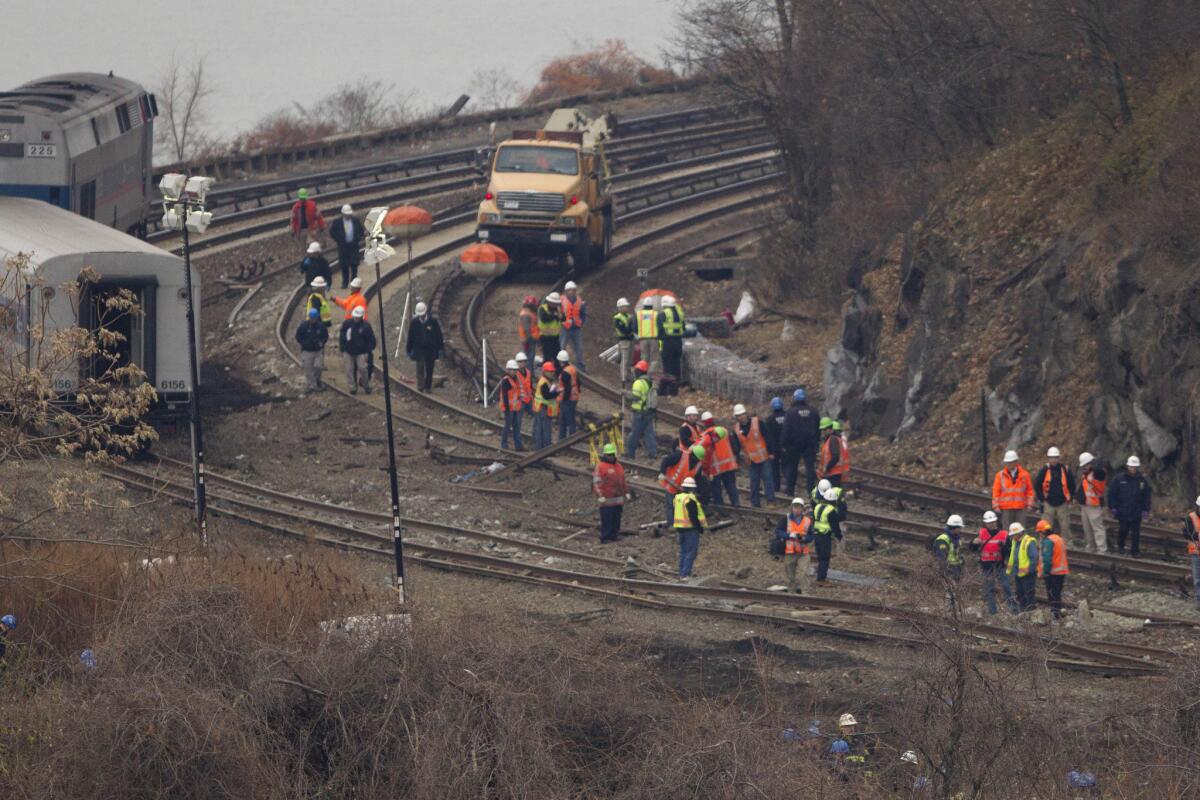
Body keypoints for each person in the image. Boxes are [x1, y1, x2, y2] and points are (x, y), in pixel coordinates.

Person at [972, 510, 1017, 615]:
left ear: (996, 522)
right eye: (989, 523)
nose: (991, 524)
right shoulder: (981, 533)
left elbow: (1010, 552)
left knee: (1006, 587)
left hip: (999, 566)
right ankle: (992, 612)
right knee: (989, 590)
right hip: (986, 567)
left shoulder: (1004, 535)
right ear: (985, 523)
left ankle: (1014, 610)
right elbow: (972, 548)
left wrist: (1004, 547)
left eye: (992, 522)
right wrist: (973, 543)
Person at [1108, 455, 1152, 556]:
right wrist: (1113, 507)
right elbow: (1112, 493)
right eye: (1131, 467)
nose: (1133, 469)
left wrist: (1146, 510)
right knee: (1123, 530)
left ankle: (1135, 551)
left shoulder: (1142, 481)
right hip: (1122, 511)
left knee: (1136, 533)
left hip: (1136, 512)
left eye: (1135, 467)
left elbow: (1146, 496)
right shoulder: (1119, 479)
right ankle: (1120, 546)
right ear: (1128, 466)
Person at [735, 403, 777, 507]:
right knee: (754, 482)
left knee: (768, 480)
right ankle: (755, 503)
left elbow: (768, 437)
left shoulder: (757, 422)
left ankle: (770, 501)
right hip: (751, 460)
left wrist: (771, 452)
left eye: (742, 414)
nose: (741, 417)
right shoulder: (736, 429)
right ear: (736, 417)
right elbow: (737, 445)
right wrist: (737, 460)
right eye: (739, 415)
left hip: (764, 457)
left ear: (746, 414)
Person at [782, 388, 820, 495]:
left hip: (794, 444)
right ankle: (811, 491)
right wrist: (816, 442)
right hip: (810, 443)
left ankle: (790, 490)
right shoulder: (813, 411)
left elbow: (786, 429)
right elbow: (818, 428)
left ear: (794, 398)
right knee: (810, 468)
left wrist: (784, 444)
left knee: (792, 466)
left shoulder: (790, 412)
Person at [1034, 447, 1075, 545]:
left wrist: (1070, 498)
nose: (1053, 460)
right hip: (1049, 503)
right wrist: (1042, 499)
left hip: (1062, 503)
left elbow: (1072, 484)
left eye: (1055, 457)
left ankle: (1067, 544)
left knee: (1065, 525)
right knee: (1046, 525)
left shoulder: (1065, 469)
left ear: (1058, 458)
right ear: (1048, 459)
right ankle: (1044, 543)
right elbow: (1037, 484)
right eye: (1051, 458)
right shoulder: (1044, 470)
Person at [660, 444, 705, 525]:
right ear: (692, 454)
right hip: (670, 484)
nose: (696, 461)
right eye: (696, 458)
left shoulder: (698, 465)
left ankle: (680, 523)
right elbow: (666, 461)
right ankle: (671, 524)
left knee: (680, 506)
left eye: (698, 459)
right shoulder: (680, 455)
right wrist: (662, 472)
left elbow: (697, 478)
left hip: (682, 488)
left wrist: (695, 491)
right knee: (671, 505)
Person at [673, 476, 707, 580]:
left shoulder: (677, 498)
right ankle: (685, 574)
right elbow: (693, 516)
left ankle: (682, 573)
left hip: (679, 528)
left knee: (684, 551)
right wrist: (699, 528)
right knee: (691, 552)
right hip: (690, 529)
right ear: (692, 488)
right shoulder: (690, 499)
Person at [775, 498, 812, 593]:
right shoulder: (786, 519)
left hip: (803, 552)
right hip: (790, 552)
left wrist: (804, 538)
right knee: (790, 576)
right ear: (792, 508)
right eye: (795, 507)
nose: (796, 510)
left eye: (799, 508)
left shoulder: (808, 521)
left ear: (802, 509)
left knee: (803, 574)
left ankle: (805, 595)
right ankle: (791, 596)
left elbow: (812, 536)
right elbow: (778, 531)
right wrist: (789, 535)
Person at [406, 302, 444, 393]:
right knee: (420, 368)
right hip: (419, 350)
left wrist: (440, 348)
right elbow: (410, 337)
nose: (422, 316)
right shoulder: (414, 323)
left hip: (430, 350)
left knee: (429, 368)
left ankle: (428, 387)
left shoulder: (433, 322)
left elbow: (439, 336)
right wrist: (408, 349)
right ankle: (420, 386)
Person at [992, 450, 1034, 532]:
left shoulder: (1025, 475)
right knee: (1007, 530)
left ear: (1016, 462)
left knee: (1020, 530)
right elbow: (996, 491)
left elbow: (1029, 491)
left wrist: (1030, 504)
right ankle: (1008, 544)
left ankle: (1020, 545)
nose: (1009, 464)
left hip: (1020, 507)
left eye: (1011, 462)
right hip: (1006, 508)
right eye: (1007, 462)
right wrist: (996, 506)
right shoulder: (1000, 475)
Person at [593, 443, 628, 543]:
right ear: (605, 455)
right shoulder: (601, 467)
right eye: (609, 455)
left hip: (618, 500)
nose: (611, 457)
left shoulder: (619, 466)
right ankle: (605, 537)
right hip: (607, 499)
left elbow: (622, 481)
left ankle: (614, 535)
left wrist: (626, 492)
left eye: (612, 454)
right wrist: (600, 495)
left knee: (616, 518)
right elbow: (597, 482)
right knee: (607, 519)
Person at [1076, 452, 1109, 553]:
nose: (1084, 467)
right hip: (1085, 505)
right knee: (1087, 529)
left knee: (1097, 529)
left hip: (1094, 506)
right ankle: (1091, 546)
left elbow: (1100, 473)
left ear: (1090, 463)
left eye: (1085, 465)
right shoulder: (1086, 475)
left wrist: (1096, 464)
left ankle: (1101, 549)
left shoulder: (1097, 474)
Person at [339, 306, 375, 394]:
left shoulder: (366, 326)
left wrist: (368, 351)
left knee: (362, 368)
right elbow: (342, 336)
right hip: (348, 351)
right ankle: (352, 387)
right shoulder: (347, 324)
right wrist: (343, 347)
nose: (356, 318)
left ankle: (366, 385)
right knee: (349, 369)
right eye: (355, 316)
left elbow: (371, 340)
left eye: (358, 317)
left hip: (361, 352)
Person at [625, 360, 657, 459]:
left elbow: (636, 397)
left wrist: (624, 393)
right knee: (649, 433)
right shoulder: (650, 382)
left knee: (634, 433)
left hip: (640, 413)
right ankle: (653, 452)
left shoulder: (638, 382)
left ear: (639, 371)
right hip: (649, 412)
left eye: (636, 370)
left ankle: (630, 453)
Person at [812, 487, 843, 584]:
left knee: (820, 556)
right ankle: (821, 579)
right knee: (825, 557)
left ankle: (819, 575)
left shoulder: (817, 507)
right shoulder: (831, 510)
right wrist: (839, 536)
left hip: (817, 534)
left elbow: (813, 520)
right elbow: (834, 525)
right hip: (825, 536)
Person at [1039, 519, 1069, 620]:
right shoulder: (1058, 538)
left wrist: (1045, 572)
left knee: (1052, 594)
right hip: (1061, 572)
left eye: (1039, 533)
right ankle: (1057, 613)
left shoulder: (1048, 541)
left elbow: (1047, 560)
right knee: (1057, 593)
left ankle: (1055, 614)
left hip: (1052, 573)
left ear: (1042, 532)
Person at [1006, 521, 1039, 612]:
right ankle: (1023, 611)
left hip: (1028, 574)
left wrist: (1030, 570)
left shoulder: (1029, 541)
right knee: (1020, 594)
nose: (1012, 537)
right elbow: (1013, 557)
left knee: (1029, 593)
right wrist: (1011, 571)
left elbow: (1034, 557)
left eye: (1014, 534)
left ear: (1019, 533)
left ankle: (1030, 611)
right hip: (1018, 573)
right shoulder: (1015, 542)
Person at [328, 204, 365, 287]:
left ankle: (353, 281)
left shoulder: (355, 221)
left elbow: (361, 231)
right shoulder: (337, 222)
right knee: (344, 265)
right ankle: (345, 282)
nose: (348, 215)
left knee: (354, 264)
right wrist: (338, 240)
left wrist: (357, 239)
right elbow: (332, 232)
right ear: (343, 214)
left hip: (353, 246)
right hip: (343, 247)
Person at [705, 424, 741, 508]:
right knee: (731, 485)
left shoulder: (706, 435)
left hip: (715, 468)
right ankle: (735, 502)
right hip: (728, 465)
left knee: (716, 488)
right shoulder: (724, 430)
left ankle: (719, 505)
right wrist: (736, 457)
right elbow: (735, 447)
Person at [295, 307, 328, 392]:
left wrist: (321, 343)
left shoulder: (321, 326)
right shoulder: (304, 326)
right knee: (308, 369)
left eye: (314, 318)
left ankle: (317, 380)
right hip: (307, 351)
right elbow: (298, 336)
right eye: (311, 318)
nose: (312, 320)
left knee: (318, 367)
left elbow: (325, 336)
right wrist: (304, 343)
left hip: (318, 351)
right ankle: (312, 385)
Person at [657, 294, 685, 394]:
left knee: (668, 365)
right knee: (676, 363)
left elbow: (659, 330)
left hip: (667, 342)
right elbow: (684, 328)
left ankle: (669, 388)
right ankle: (676, 385)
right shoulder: (680, 313)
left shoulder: (663, 314)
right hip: (678, 341)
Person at [560, 280, 587, 371]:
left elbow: (583, 314)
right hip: (565, 328)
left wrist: (580, 323)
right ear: (566, 291)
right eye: (569, 290)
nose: (571, 292)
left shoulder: (580, 302)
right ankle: (559, 366)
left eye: (573, 290)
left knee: (579, 348)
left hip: (576, 328)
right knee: (561, 347)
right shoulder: (561, 301)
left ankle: (581, 366)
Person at [532, 362, 560, 448]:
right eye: (550, 371)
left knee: (540, 429)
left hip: (541, 408)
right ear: (544, 372)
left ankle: (540, 447)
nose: (552, 373)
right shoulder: (544, 382)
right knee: (544, 429)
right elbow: (547, 396)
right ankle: (546, 447)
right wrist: (557, 393)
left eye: (552, 371)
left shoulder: (546, 381)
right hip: (542, 408)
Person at [498, 360, 524, 452]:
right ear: (508, 370)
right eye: (512, 370)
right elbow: (505, 396)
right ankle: (504, 444)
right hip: (508, 408)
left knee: (516, 426)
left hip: (515, 408)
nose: (514, 372)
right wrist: (507, 409)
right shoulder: (506, 381)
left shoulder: (515, 379)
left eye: (515, 370)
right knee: (507, 426)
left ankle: (518, 446)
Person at [763, 397, 787, 492]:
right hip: (786, 447)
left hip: (774, 449)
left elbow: (767, 436)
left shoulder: (769, 419)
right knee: (787, 467)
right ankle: (788, 486)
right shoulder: (787, 416)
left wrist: (769, 450)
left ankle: (776, 487)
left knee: (775, 469)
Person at [556, 350, 581, 440]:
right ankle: (563, 439)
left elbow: (567, 388)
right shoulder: (572, 369)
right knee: (566, 419)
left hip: (568, 399)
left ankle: (569, 439)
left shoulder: (565, 372)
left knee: (568, 420)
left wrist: (564, 399)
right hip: (574, 397)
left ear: (561, 361)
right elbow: (578, 382)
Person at [933, 515, 964, 584]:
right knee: (949, 593)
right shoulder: (943, 540)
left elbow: (959, 555)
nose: (961, 530)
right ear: (955, 528)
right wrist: (946, 573)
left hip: (956, 570)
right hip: (948, 571)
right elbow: (941, 558)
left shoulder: (957, 540)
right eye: (960, 528)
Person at [819, 417, 849, 487]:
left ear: (830, 429)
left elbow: (835, 456)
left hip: (834, 473)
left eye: (824, 429)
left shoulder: (832, 440)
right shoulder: (829, 440)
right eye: (822, 430)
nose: (822, 431)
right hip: (833, 473)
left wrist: (827, 468)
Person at [612, 297, 635, 384]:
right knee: (624, 360)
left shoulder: (629, 316)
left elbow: (633, 327)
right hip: (624, 340)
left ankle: (629, 376)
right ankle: (623, 378)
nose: (626, 308)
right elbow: (624, 329)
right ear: (620, 307)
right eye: (625, 306)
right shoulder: (617, 318)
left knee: (629, 360)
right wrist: (630, 327)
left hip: (630, 340)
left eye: (626, 306)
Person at [537, 292, 564, 363]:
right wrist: (555, 315)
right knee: (547, 356)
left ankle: (557, 371)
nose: (553, 304)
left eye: (555, 303)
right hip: (545, 336)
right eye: (552, 302)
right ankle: (546, 371)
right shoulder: (543, 308)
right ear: (549, 301)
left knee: (557, 356)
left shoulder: (558, 309)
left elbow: (563, 318)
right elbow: (544, 318)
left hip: (555, 337)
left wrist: (560, 316)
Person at [1183, 496, 1200, 609]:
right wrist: (1195, 536)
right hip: (1196, 552)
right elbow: (1186, 533)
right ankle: (1199, 600)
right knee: (1198, 578)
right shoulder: (1191, 517)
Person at [636, 296, 659, 374]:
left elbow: (635, 326)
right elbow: (660, 325)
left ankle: (643, 373)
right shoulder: (656, 314)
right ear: (652, 305)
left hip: (643, 339)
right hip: (654, 339)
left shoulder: (639, 314)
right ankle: (651, 375)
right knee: (654, 359)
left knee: (644, 358)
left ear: (644, 305)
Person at [518, 295, 540, 364]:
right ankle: (529, 373)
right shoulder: (526, 314)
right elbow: (527, 329)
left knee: (530, 357)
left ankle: (530, 372)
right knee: (529, 357)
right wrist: (531, 337)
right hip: (529, 339)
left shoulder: (528, 312)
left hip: (530, 338)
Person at [514, 352, 534, 421]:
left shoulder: (528, 372)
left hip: (528, 399)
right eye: (520, 361)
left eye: (524, 361)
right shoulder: (515, 373)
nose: (522, 363)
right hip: (520, 400)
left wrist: (532, 396)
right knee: (518, 419)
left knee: (535, 416)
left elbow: (530, 385)